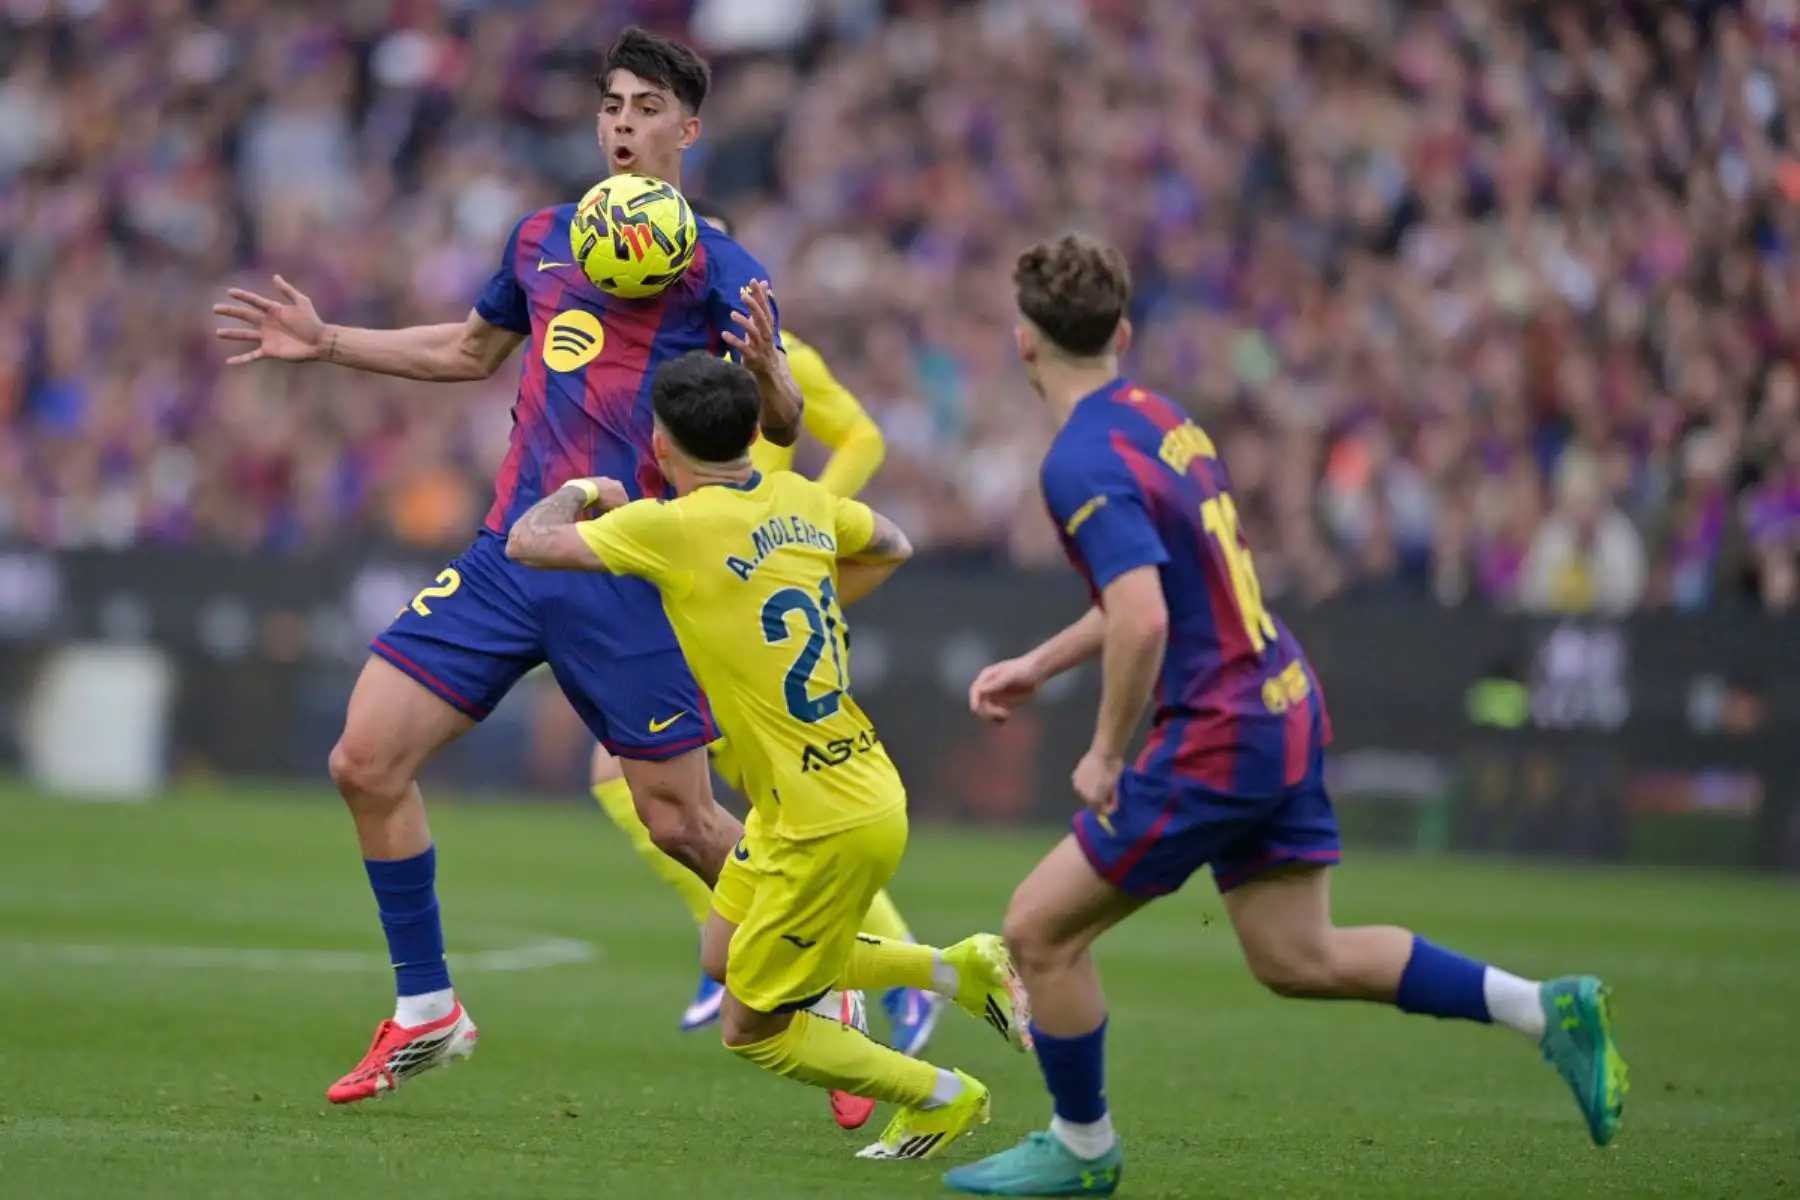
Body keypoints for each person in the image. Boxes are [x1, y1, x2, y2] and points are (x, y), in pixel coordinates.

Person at [941, 235, 1628, 1197]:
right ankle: (1543, 1010)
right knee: (1298, 956)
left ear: (1023, 343)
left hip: (1219, 728)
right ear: (1124, 334)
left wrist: (1104, 751)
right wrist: (1040, 665)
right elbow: (1165, 588)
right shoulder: (1163, 418)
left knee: (1038, 932)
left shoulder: (1078, 459)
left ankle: (1082, 1148)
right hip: (1283, 699)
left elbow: (1142, 613)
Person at [211, 27, 807, 1105]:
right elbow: (470, 352)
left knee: (682, 823)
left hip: (628, 566)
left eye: (645, 108)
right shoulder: (543, 237)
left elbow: (784, 423)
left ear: (688, 129)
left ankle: (834, 983)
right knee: (364, 760)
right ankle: (429, 1007)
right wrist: (330, 339)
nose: (622, 123)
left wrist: (769, 374)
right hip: (509, 556)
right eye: (611, 105)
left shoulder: (724, 267)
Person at [505, 349, 1029, 1161]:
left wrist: (583, 492)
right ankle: (955, 970)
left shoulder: (671, 526)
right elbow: (891, 542)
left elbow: (527, 543)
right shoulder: (806, 500)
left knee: (751, 1027)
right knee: (724, 953)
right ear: (754, 431)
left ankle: (944, 1097)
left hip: (828, 820)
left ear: (662, 446)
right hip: (822, 795)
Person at [588, 199, 941, 1067]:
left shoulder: (771, 355)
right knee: (705, 792)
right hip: (705, 576)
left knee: (711, 789)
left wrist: (815, 527)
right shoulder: (665, 364)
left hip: (749, 579)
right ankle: (794, 956)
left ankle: (820, 967)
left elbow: (860, 434)